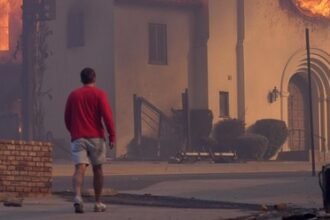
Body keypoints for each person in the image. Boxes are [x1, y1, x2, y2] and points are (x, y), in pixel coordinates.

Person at [64, 67, 115, 213]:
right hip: (96, 138)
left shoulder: (73, 95)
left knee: (79, 168)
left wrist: (73, 131)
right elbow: (107, 116)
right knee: (97, 169)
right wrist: (112, 135)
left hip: (78, 137)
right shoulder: (100, 94)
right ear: (94, 78)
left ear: (81, 79)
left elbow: (67, 117)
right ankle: (98, 203)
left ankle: (78, 197)